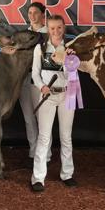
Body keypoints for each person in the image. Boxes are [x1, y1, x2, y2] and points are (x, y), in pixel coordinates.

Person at [30, 14, 76, 192]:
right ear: (47, 29)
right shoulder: (40, 48)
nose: (56, 31)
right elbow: (35, 73)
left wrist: (66, 60)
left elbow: (72, 75)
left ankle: (67, 174)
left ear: (63, 28)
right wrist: (41, 86)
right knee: (44, 137)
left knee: (66, 137)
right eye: (52, 28)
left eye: (59, 27)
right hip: (47, 97)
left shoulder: (70, 48)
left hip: (66, 95)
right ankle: (38, 178)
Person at [18, 2, 49, 163]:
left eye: (35, 12)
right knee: (28, 118)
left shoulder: (49, 34)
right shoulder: (23, 35)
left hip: (42, 81)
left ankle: (46, 155)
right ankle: (33, 152)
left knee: (42, 119)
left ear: (43, 15)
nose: (32, 16)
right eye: (29, 13)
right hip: (24, 79)